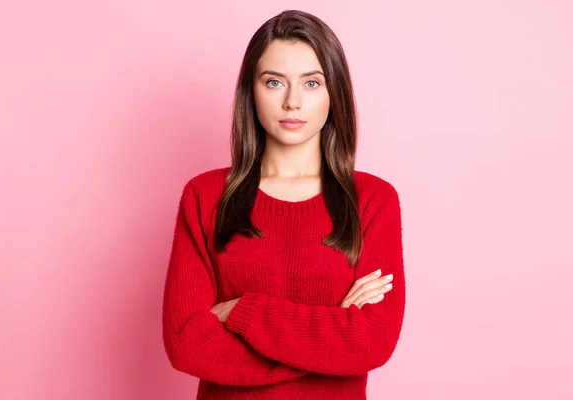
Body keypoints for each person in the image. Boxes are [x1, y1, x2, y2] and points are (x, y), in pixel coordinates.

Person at [162, 9, 405, 400]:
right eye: (274, 82)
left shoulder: (373, 201)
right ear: (251, 91)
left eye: (311, 83)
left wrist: (241, 312)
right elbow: (186, 343)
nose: (293, 102)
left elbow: (371, 342)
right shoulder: (205, 196)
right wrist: (328, 341)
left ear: (333, 93)